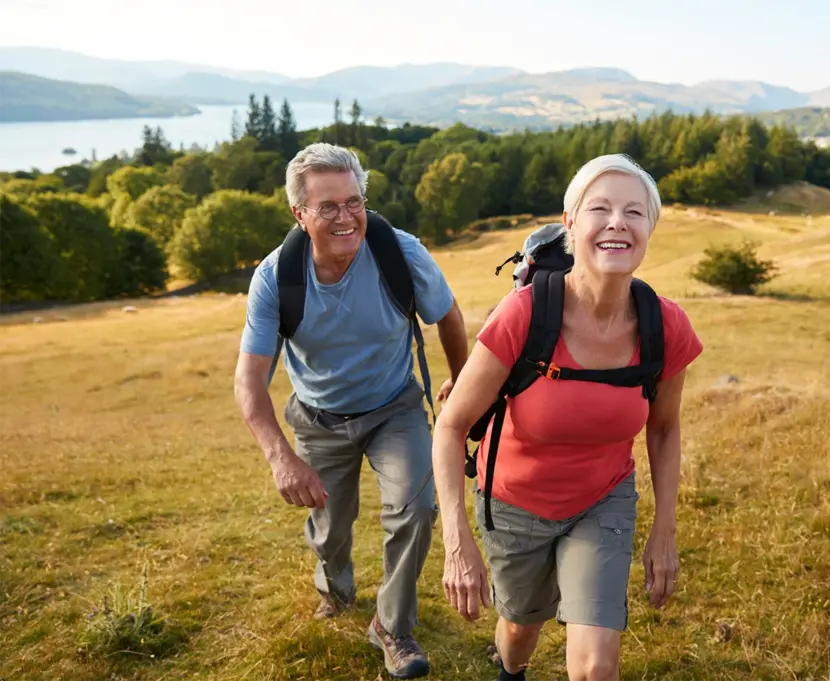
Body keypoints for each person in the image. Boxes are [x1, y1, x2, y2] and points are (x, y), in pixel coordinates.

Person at [431, 154, 703, 681]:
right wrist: (456, 540)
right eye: (599, 208)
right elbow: (450, 425)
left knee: (598, 665)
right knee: (518, 634)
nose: (617, 222)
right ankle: (512, 670)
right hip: (513, 501)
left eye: (634, 212)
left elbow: (664, 428)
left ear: (649, 229)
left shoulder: (665, 325)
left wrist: (664, 529)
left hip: (602, 499)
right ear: (571, 224)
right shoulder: (525, 314)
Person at [234, 143, 468, 680]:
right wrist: (281, 458)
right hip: (318, 418)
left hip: (395, 408)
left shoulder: (399, 252)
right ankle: (335, 586)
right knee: (330, 527)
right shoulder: (276, 277)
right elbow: (249, 382)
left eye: (354, 201)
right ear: (300, 214)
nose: (346, 217)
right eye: (328, 207)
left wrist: (460, 384)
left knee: (416, 507)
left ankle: (393, 626)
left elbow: (449, 316)